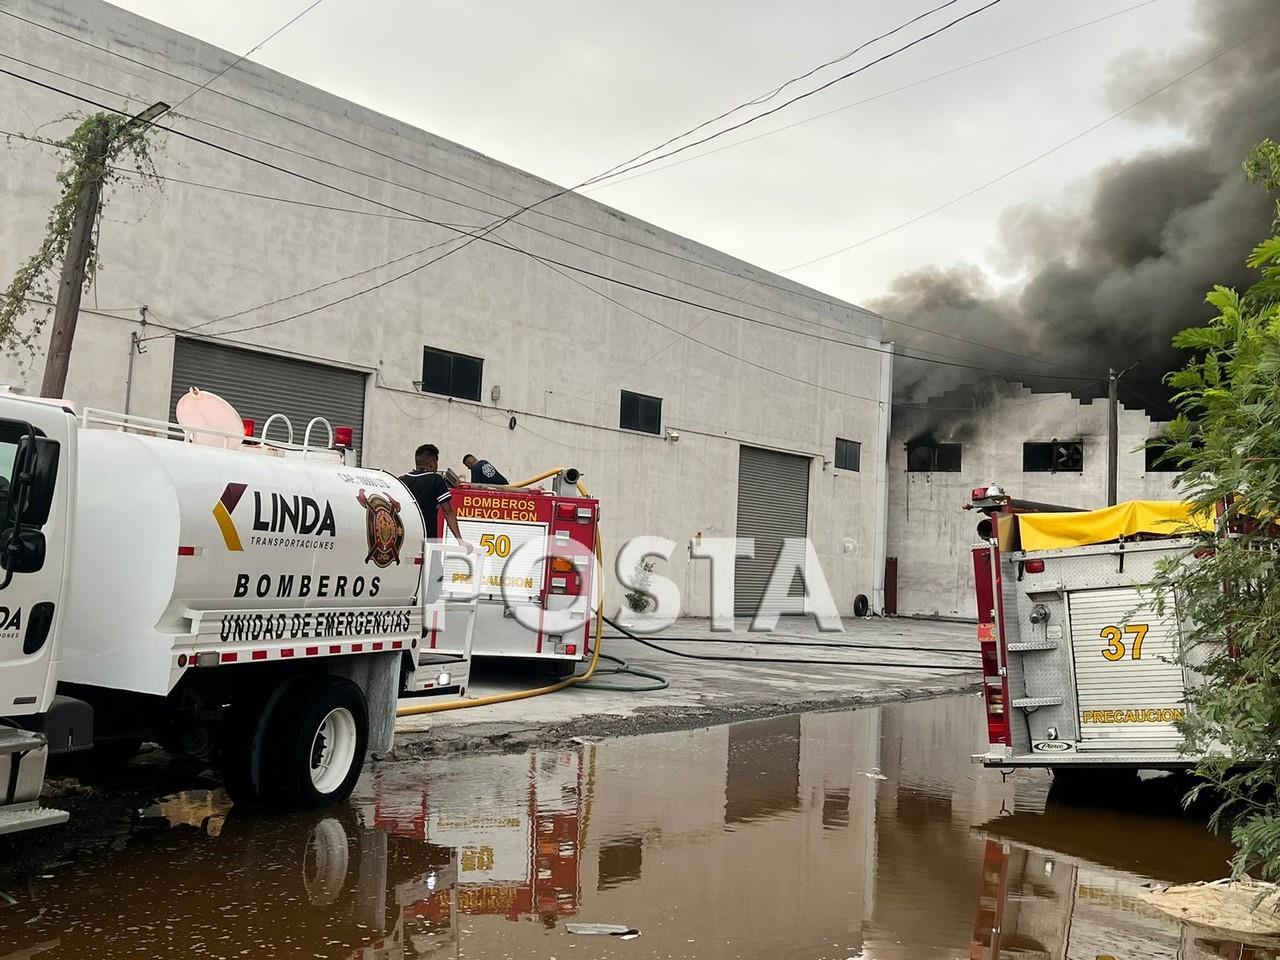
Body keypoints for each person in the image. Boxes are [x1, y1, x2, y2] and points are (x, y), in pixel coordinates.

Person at [400, 444, 469, 546]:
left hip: (405, 539)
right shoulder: (435, 480)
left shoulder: (402, 480)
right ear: (432, 464)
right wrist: (460, 540)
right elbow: (448, 511)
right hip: (427, 540)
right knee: (432, 562)